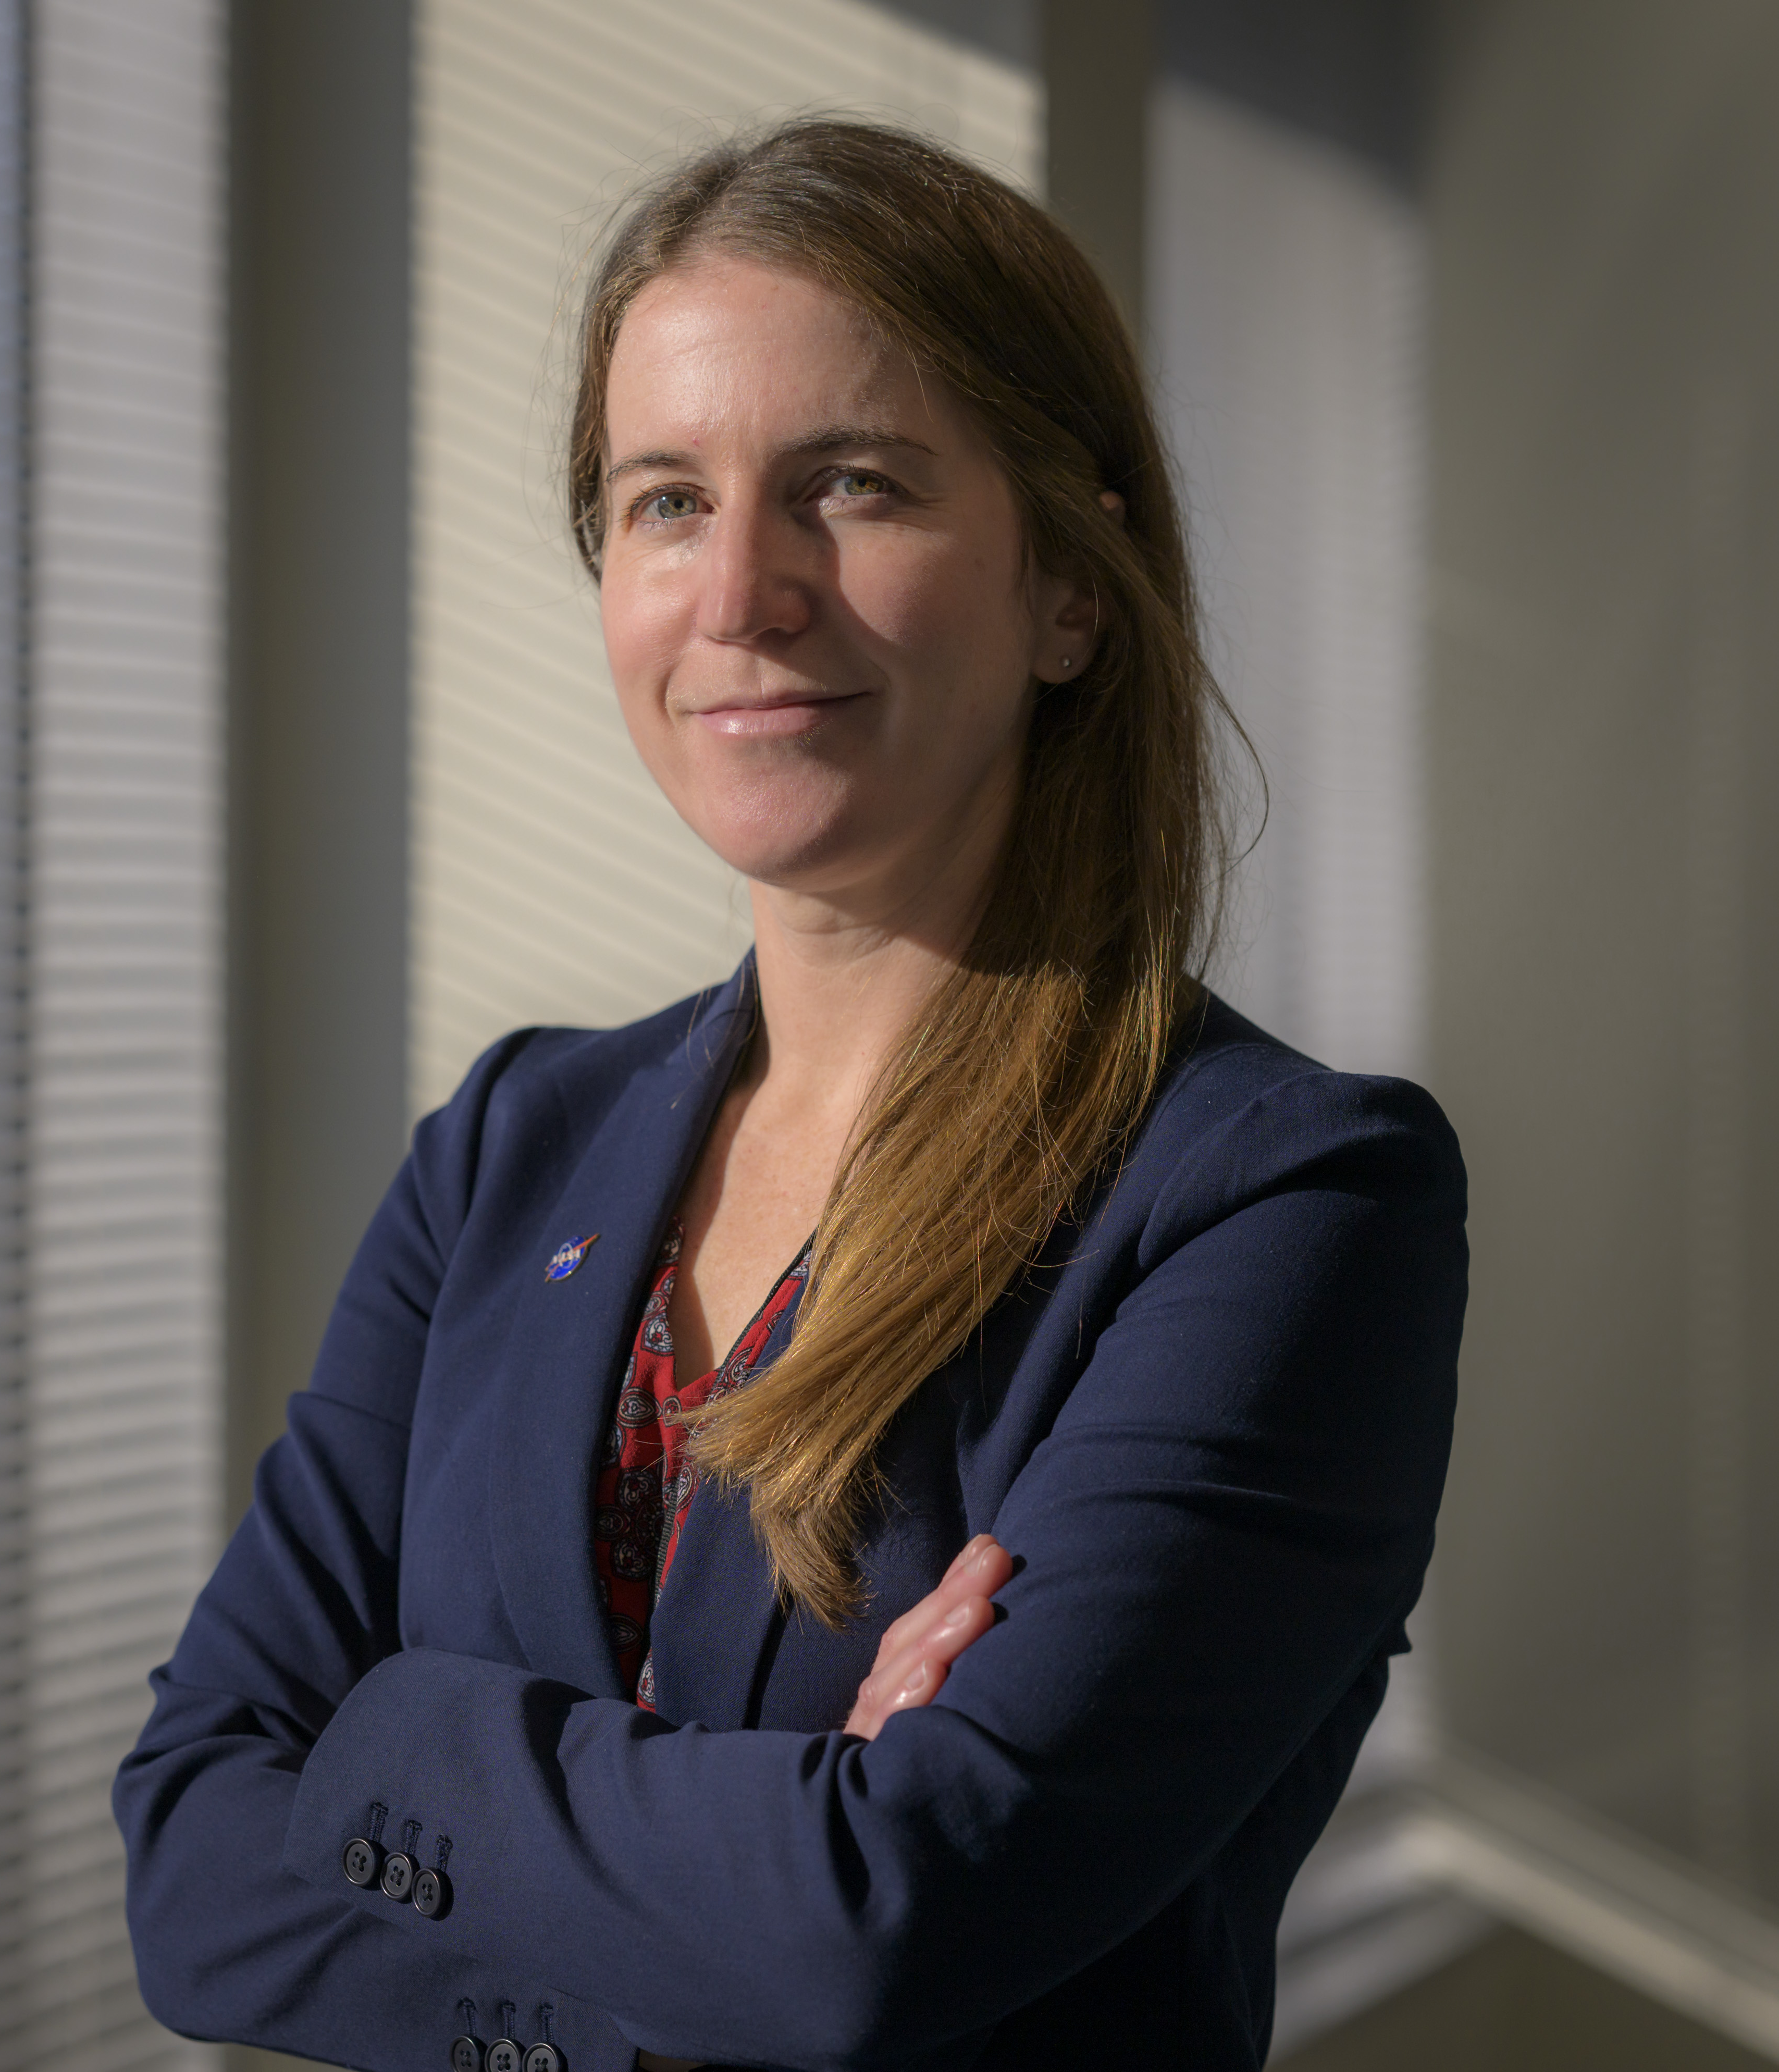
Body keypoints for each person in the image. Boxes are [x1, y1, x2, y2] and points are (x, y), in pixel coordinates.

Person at [115, 118, 1465, 2072]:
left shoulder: (1281, 1201)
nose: (741, 591)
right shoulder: (510, 1148)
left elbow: (890, 1926)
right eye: (666, 500)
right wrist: (751, 1860)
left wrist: (392, 1739)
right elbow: (190, 1868)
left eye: (850, 485)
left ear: (1068, 591)